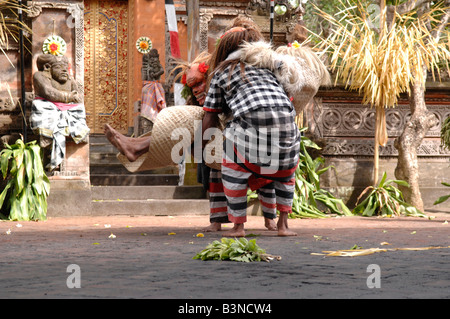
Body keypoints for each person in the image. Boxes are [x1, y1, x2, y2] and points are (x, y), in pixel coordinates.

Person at [104, 51, 277, 232]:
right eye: (192, 86)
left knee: (265, 176)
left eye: (199, 83)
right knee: (214, 173)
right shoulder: (198, 108)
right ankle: (217, 221)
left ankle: (270, 220)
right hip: (218, 148)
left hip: (246, 142)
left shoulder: (230, 90)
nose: (195, 89)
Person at [202, 25, 301, 237]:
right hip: (289, 132)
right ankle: (282, 225)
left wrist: (205, 146)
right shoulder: (268, 67)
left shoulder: (222, 72)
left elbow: (210, 114)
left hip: (252, 132)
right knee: (286, 171)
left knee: (231, 164)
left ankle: (238, 227)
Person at [31, 54, 89, 170]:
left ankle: (77, 132)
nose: (64, 70)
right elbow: (48, 92)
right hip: (47, 107)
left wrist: (73, 98)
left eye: (65, 67)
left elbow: (77, 96)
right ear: (47, 67)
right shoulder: (40, 76)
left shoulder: (69, 79)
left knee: (79, 109)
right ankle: (48, 145)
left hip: (68, 109)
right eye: (59, 67)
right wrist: (69, 97)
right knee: (42, 109)